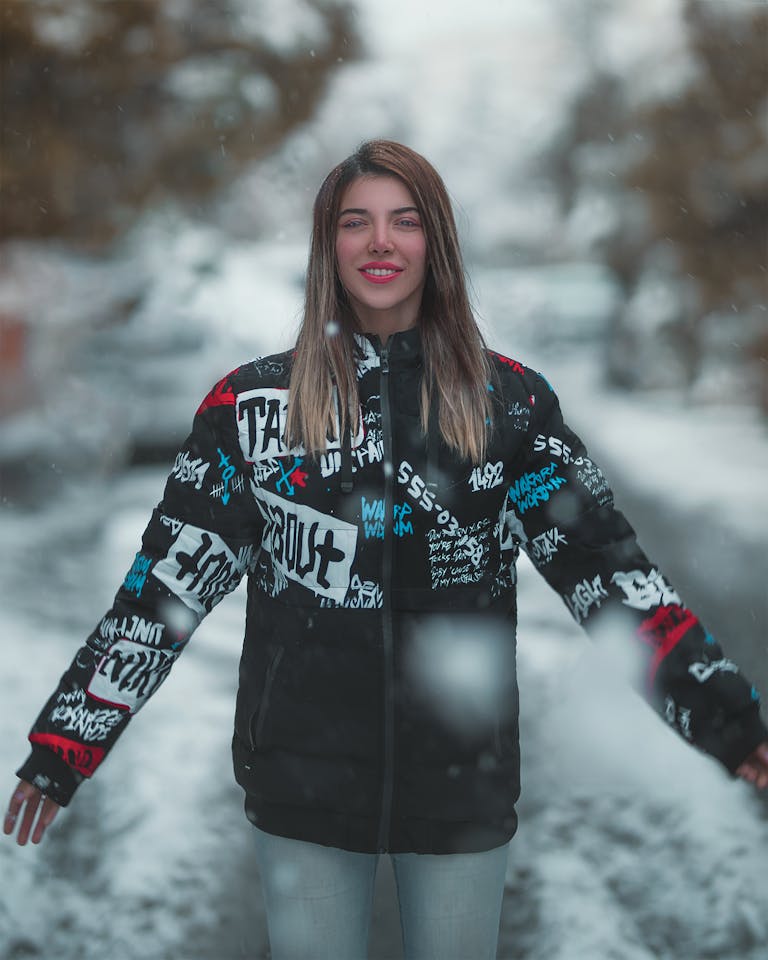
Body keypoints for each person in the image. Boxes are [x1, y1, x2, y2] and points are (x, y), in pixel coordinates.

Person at [5, 139, 768, 960]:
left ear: (434, 242)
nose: (380, 242)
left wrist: (726, 718)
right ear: (326, 247)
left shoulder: (508, 403)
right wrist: (64, 746)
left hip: (461, 781)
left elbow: (614, 581)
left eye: (404, 222)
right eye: (355, 222)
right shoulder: (253, 406)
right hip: (300, 780)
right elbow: (161, 595)